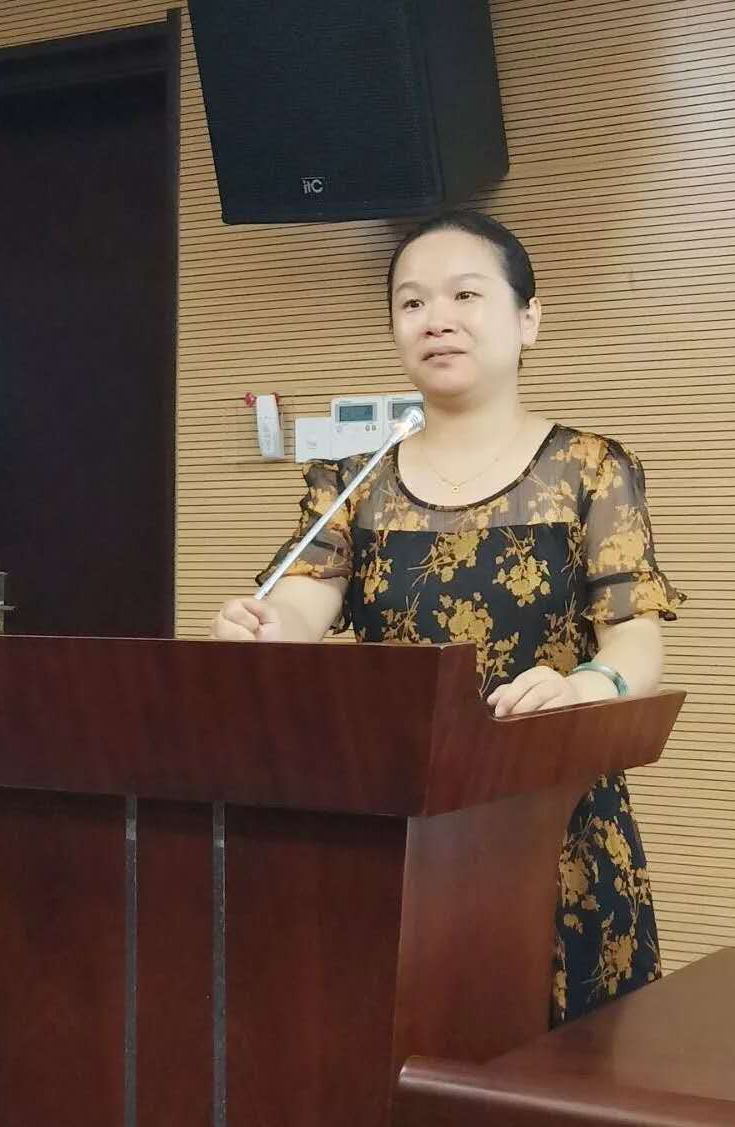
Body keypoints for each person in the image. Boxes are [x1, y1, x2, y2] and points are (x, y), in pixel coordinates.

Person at [210, 209, 685, 1025]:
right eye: (412, 302)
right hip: (398, 825)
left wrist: (588, 685)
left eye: (465, 294)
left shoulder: (589, 468)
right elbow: (301, 601)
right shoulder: (354, 480)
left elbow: (636, 632)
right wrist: (265, 629)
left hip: (552, 818)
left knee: (558, 1060)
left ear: (527, 319)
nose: (436, 319)